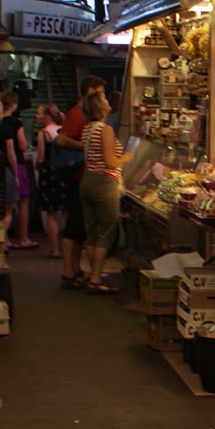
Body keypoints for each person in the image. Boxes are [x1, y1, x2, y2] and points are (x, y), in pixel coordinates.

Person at [54, 76, 107, 288]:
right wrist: (86, 147)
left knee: (78, 228)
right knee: (74, 226)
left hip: (84, 177)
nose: (103, 97)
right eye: (101, 93)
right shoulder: (77, 114)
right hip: (77, 177)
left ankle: (76, 269)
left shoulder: (84, 115)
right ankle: (69, 271)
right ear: (90, 91)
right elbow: (61, 139)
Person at [78, 88, 131, 293]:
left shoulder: (87, 129)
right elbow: (110, 162)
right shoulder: (105, 129)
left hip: (88, 181)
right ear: (101, 107)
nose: (108, 101)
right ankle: (96, 280)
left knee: (92, 232)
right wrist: (127, 157)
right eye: (105, 99)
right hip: (105, 183)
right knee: (105, 233)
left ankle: (94, 274)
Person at [0, 90, 36, 248]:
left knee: (0, 205)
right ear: (14, 105)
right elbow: (22, 145)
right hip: (15, 165)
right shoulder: (15, 123)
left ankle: (5, 240)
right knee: (22, 201)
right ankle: (23, 238)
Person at [31, 102, 65, 254]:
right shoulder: (63, 130)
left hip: (48, 174)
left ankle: (55, 250)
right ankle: (67, 248)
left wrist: (37, 166)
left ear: (47, 116)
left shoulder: (43, 133)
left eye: (39, 113)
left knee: (51, 214)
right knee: (66, 212)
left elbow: (40, 158)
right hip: (63, 173)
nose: (36, 116)